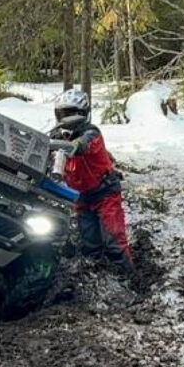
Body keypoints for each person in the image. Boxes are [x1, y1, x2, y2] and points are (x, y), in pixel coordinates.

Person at [52, 89, 134, 272]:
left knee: (114, 242)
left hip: (104, 193)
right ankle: (96, 279)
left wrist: (71, 146)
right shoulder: (56, 135)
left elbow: (83, 145)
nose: (67, 118)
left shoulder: (92, 133)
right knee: (90, 244)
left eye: (71, 113)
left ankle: (131, 279)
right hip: (81, 197)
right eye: (64, 113)